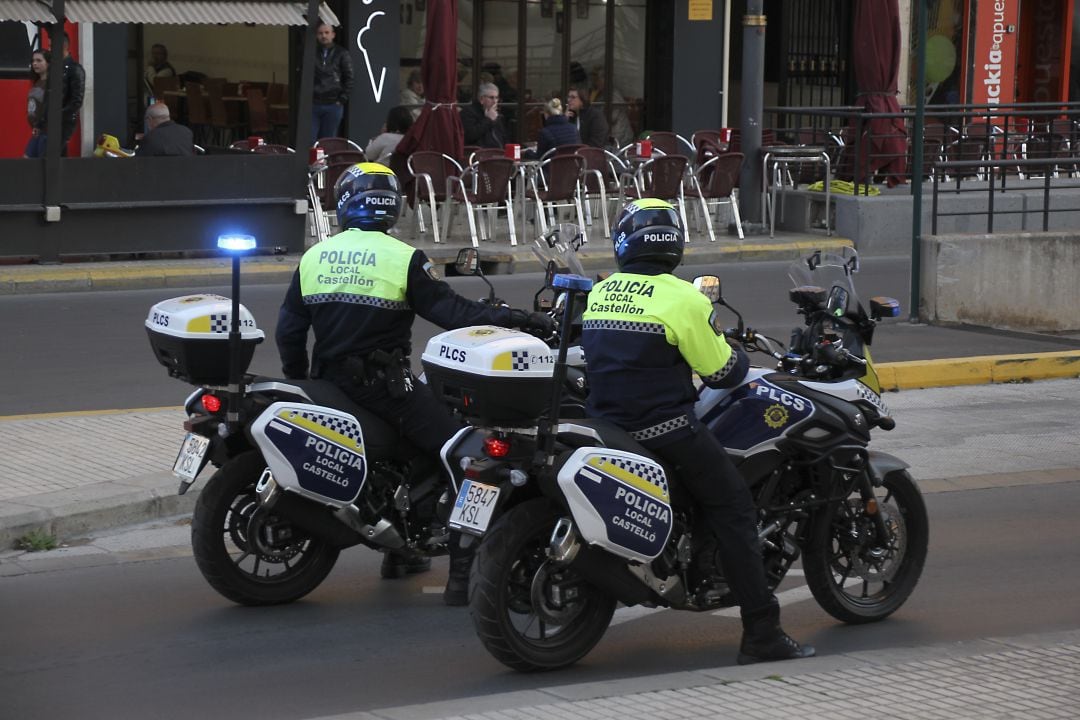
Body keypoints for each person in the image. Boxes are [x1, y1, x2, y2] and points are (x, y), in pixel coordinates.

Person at [275, 162, 554, 605]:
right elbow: (457, 315)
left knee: (416, 450)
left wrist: (302, 378)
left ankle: (403, 555)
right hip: (385, 388)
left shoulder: (315, 255)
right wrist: (519, 319)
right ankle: (463, 575)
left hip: (329, 382)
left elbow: (288, 331)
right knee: (466, 454)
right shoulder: (403, 258)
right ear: (392, 208)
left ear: (346, 204)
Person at [580, 199, 816, 666]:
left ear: (626, 242)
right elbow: (722, 372)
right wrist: (734, 351)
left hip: (605, 425)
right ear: (674, 245)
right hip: (664, 429)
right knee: (734, 508)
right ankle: (762, 633)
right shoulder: (685, 298)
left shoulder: (601, 292)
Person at [312, 22, 354, 144]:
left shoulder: (342, 54)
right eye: (320, 33)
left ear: (333, 35)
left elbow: (349, 78)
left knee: (328, 141)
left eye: (326, 32)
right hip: (314, 103)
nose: (323, 36)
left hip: (333, 104)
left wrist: (341, 100)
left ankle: (325, 163)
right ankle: (309, 163)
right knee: (310, 140)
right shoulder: (311, 53)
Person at [589, 66, 633, 148]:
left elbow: (612, 117)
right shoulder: (601, 94)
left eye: (597, 80)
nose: (595, 83)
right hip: (612, 134)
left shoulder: (613, 94)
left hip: (619, 137)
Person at [459, 82, 506, 149]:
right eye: (491, 98)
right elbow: (469, 136)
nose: (495, 101)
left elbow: (503, 137)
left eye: (496, 98)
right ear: (481, 99)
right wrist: (488, 120)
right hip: (479, 154)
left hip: (498, 153)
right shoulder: (468, 112)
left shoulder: (495, 114)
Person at [61, 33, 86, 156]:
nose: (48, 50)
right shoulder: (54, 68)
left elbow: (77, 100)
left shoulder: (75, 69)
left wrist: (60, 114)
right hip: (55, 119)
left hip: (65, 120)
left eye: (50, 46)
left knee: (58, 151)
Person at [24, 49, 50, 158]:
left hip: (46, 132)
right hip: (37, 131)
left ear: (48, 63)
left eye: (39, 60)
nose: (35, 63)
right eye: (33, 60)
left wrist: (41, 124)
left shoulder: (51, 84)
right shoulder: (37, 82)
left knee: (41, 166)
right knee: (26, 162)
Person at [566, 85, 608, 149]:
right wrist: (563, 121)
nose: (569, 100)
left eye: (573, 97)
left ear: (582, 99)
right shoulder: (570, 116)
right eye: (568, 97)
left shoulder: (595, 115)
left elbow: (597, 142)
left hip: (593, 154)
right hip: (574, 154)